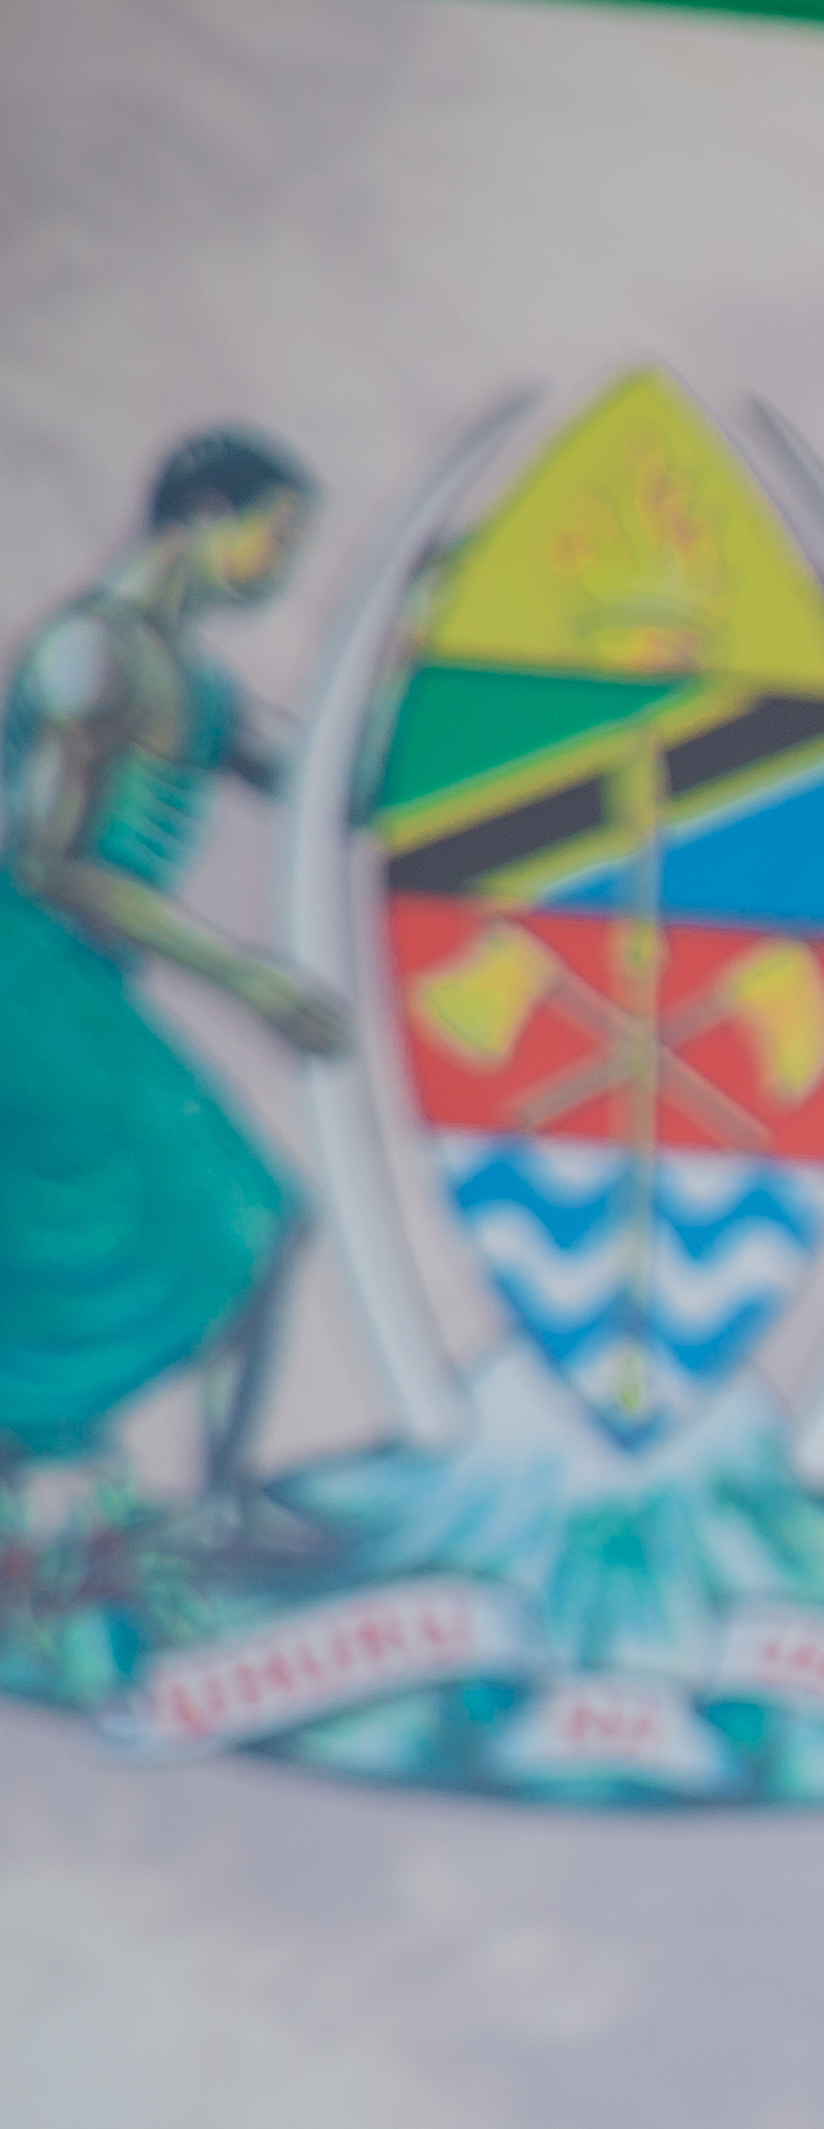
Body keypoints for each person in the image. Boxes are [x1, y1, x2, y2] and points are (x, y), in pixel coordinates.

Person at [0, 429, 338, 1529]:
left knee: (236, 1228)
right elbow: (50, 864)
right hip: (31, 977)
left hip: (83, 985)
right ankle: (215, 1505)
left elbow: (335, 781)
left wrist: (420, 636)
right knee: (241, 1217)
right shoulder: (88, 653)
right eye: (274, 536)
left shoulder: (197, 681)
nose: (280, 565)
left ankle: (220, 1503)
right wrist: (247, 978)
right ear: (204, 517)